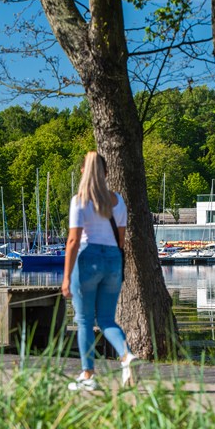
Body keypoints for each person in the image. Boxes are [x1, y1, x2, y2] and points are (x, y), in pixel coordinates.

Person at [62, 152, 136, 391]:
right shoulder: (119, 201)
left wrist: (66, 277)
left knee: (83, 320)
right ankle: (126, 355)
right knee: (106, 319)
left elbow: (73, 241)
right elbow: (121, 241)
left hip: (87, 259)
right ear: (106, 173)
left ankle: (88, 375)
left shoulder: (80, 201)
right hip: (113, 260)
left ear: (84, 171)